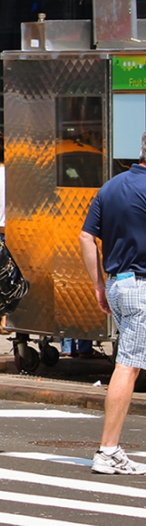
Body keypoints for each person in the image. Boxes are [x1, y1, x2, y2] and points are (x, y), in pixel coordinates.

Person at [78, 132, 146, 475]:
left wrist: (98, 285)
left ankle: (110, 448)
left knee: (130, 361)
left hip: (120, 284)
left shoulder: (112, 187)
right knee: (129, 365)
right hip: (140, 287)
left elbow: (86, 236)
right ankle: (108, 450)